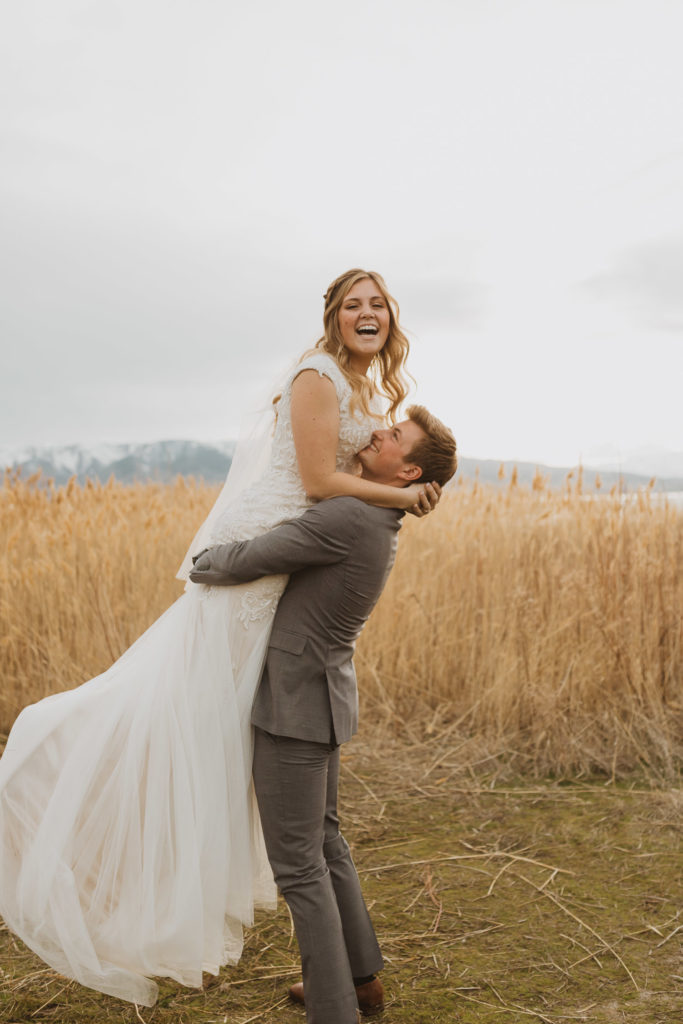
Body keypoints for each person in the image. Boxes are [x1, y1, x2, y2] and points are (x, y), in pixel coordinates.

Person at [0, 269, 438, 1007]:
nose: (367, 314)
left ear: (391, 319)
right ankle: (95, 818)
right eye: (352, 304)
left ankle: (339, 992)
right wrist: (400, 493)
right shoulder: (317, 376)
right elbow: (315, 481)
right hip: (261, 547)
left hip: (287, 563)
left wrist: (398, 489)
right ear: (333, 317)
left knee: (268, 796)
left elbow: (336, 495)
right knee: (188, 720)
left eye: (378, 305)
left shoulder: (365, 397)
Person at [190, 406, 458, 1024]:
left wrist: (200, 565)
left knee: (297, 862)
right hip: (323, 698)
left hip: (295, 707)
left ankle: (334, 1009)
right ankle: (361, 983)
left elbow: (254, 556)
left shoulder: (350, 516)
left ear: (408, 470)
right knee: (325, 843)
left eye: (395, 436)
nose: (379, 432)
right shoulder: (379, 515)